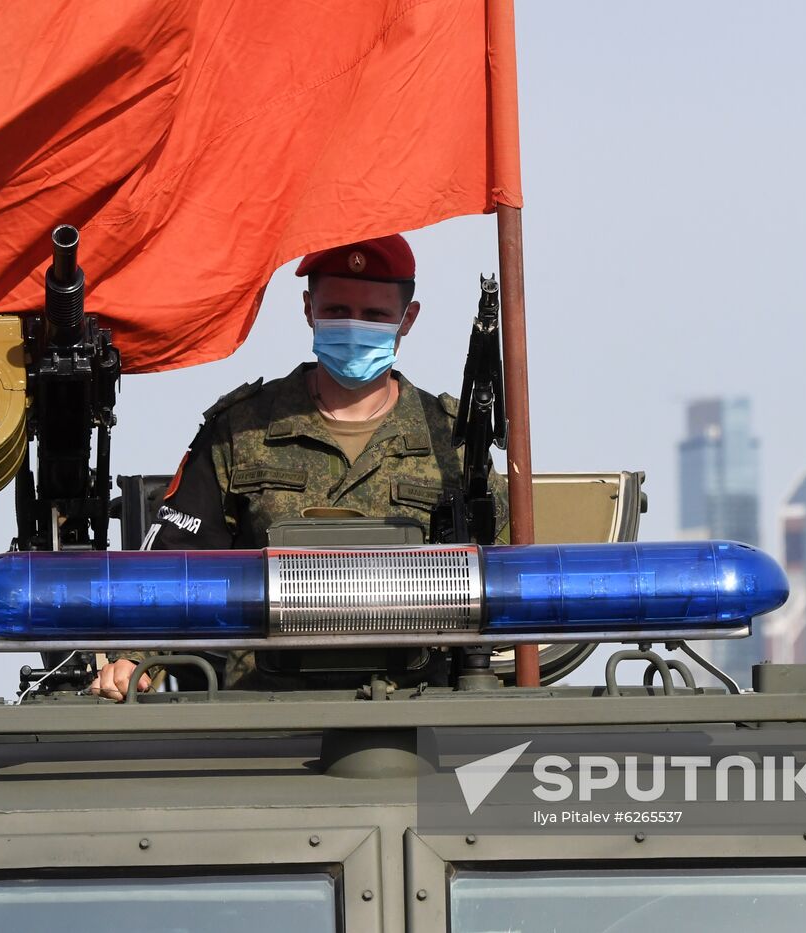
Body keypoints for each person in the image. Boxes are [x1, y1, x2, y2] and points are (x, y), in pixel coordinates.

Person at [90, 233, 508, 698]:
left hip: (416, 704)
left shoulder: (452, 440)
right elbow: (175, 568)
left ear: (407, 319)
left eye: (374, 316)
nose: (353, 327)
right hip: (264, 707)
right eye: (336, 312)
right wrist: (132, 656)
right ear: (308, 309)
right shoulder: (242, 429)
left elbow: (508, 576)